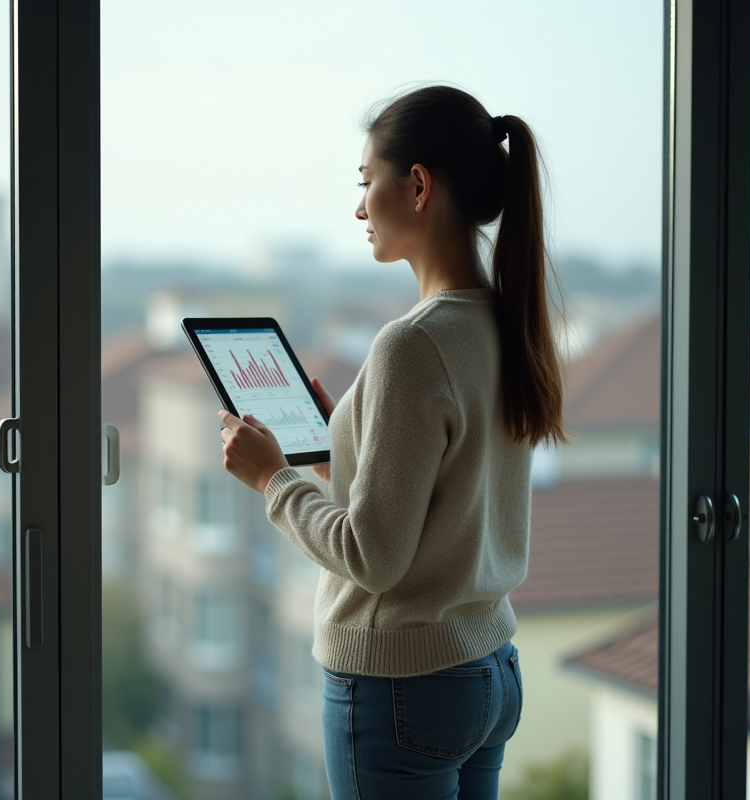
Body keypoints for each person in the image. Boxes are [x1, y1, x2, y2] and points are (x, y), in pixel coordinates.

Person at [218, 85, 566, 800]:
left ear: (416, 185)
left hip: (403, 685)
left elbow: (372, 557)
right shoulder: (507, 323)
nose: (357, 207)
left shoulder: (411, 345)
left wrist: (272, 481)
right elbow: (441, 489)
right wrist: (338, 444)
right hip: (487, 669)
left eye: (365, 181)